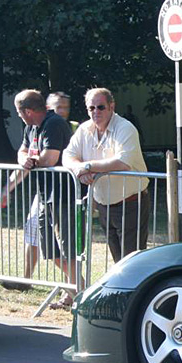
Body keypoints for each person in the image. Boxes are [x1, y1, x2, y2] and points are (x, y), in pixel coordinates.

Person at [63, 87, 150, 263]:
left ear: (111, 106)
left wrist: (87, 166)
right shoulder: (84, 129)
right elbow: (67, 155)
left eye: (100, 107)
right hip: (104, 205)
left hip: (131, 203)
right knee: (118, 260)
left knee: (132, 260)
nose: (96, 112)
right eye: (91, 108)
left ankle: (135, 291)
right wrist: (79, 170)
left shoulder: (125, 128)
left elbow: (122, 162)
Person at [9, 89, 76, 302]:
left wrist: (31, 159)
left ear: (27, 111)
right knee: (50, 250)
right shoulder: (31, 127)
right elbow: (22, 152)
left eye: (19, 112)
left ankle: (80, 290)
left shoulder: (54, 123)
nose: (19, 116)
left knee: (66, 250)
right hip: (45, 195)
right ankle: (77, 288)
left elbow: (49, 158)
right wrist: (24, 160)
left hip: (63, 196)